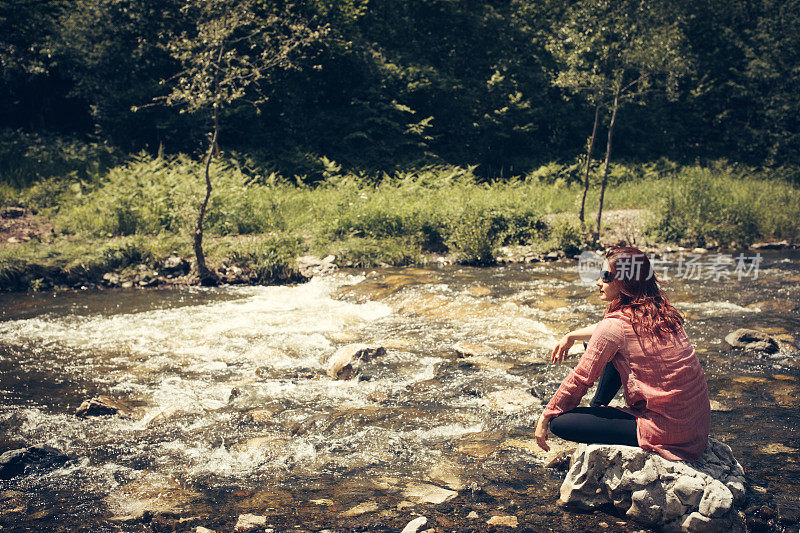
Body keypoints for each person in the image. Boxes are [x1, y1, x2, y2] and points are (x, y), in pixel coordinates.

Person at [534, 246, 710, 461]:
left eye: (606, 276)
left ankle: (598, 410)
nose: (598, 282)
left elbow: (580, 378)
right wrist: (573, 335)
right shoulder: (663, 312)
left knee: (560, 423)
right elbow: (613, 333)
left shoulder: (616, 326)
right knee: (608, 348)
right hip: (694, 429)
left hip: (664, 432)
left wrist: (546, 415)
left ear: (627, 281)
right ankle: (598, 407)